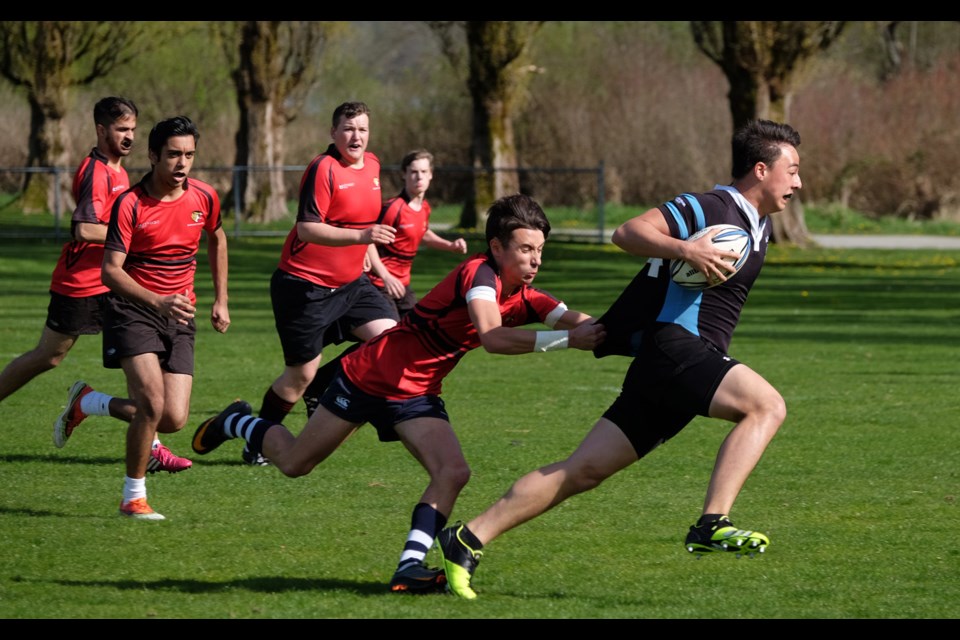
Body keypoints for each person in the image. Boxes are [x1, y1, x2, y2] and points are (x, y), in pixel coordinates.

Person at [435, 119, 802, 599]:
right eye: (791, 170)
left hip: (673, 361)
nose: (797, 182)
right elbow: (628, 232)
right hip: (676, 349)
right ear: (760, 169)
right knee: (766, 406)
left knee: (580, 471)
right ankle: (712, 523)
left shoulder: (761, 226)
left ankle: (466, 538)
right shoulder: (710, 206)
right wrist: (684, 248)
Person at [191, 193, 606, 593]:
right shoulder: (477, 275)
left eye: (540, 250)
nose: (535, 260)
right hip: (369, 376)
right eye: (525, 249)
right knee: (296, 463)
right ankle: (236, 421)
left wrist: (631, 334)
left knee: (453, 472)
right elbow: (494, 337)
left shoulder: (526, 295)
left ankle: (409, 567)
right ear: (497, 247)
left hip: (416, 392)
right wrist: (569, 341)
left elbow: (580, 321)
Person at [0, 96, 191, 473]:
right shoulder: (96, 170)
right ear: (101, 130)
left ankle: (149, 448)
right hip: (82, 282)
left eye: (133, 129)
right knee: (48, 356)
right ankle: (88, 405)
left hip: (116, 284)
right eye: (121, 129)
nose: (129, 136)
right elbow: (84, 227)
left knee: (141, 364)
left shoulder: (119, 171)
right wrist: (136, 236)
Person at [247, 101, 400, 467]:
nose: (356, 136)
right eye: (348, 128)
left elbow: (364, 226)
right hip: (305, 286)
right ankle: (257, 438)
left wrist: (369, 254)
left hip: (351, 284)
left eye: (362, 129)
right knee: (300, 373)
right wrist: (362, 236)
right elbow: (307, 229)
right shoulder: (323, 168)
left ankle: (322, 386)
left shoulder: (375, 166)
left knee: (392, 339)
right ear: (334, 133)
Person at [102, 115, 230, 520]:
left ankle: (90, 402)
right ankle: (132, 496)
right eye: (174, 155)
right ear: (154, 155)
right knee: (152, 404)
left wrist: (221, 299)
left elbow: (217, 237)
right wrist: (157, 301)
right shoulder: (130, 203)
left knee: (173, 418)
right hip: (133, 309)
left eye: (189, 155)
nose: (182, 164)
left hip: (181, 312)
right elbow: (111, 271)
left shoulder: (205, 198)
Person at [299, 149, 467, 417]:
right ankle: (323, 385)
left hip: (403, 287)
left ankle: (396, 393)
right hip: (378, 284)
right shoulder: (392, 209)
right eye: (413, 172)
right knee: (382, 344)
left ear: (431, 176)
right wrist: (385, 276)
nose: (418, 177)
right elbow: (369, 239)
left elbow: (422, 233)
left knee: (416, 342)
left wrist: (449, 245)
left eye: (423, 172)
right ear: (403, 175)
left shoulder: (423, 208)